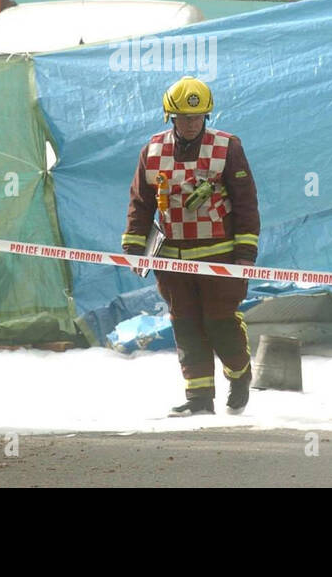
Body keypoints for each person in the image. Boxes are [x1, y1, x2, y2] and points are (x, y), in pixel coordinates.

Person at [121, 77, 260, 416]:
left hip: (219, 258)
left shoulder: (228, 148)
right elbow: (141, 203)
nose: (191, 124)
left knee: (219, 321)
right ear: (170, 117)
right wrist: (134, 247)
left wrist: (244, 255)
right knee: (185, 325)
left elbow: (246, 204)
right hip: (172, 261)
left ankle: (239, 374)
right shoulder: (152, 152)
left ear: (207, 116)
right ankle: (199, 398)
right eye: (184, 118)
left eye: (197, 118)